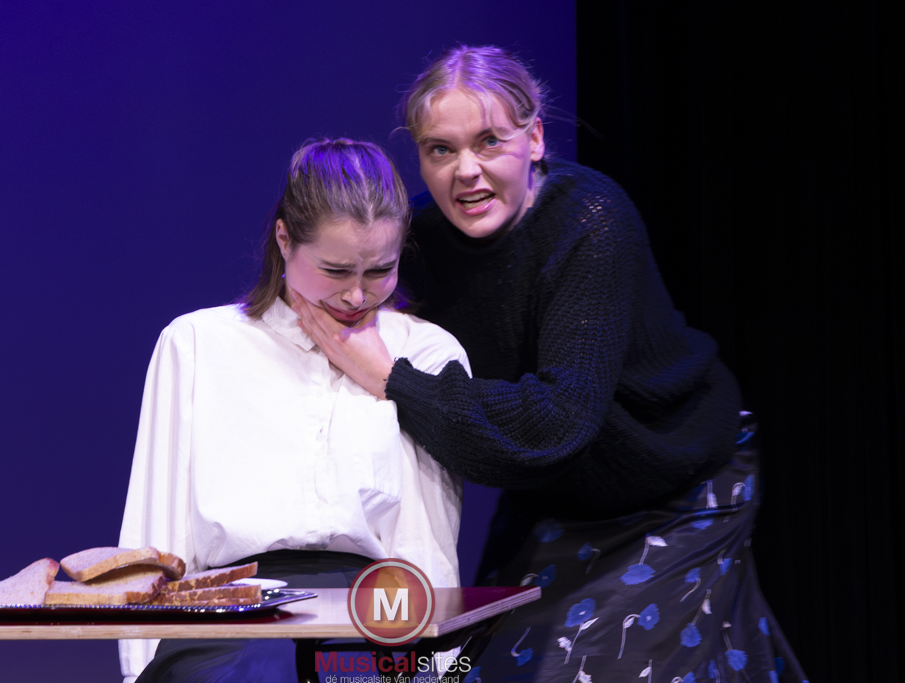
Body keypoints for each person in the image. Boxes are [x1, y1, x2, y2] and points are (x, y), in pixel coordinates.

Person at [291, 47, 808, 682]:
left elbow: (559, 420)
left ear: (534, 138)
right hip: (557, 499)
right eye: (441, 149)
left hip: (680, 481)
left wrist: (393, 379)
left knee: (593, 670)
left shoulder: (589, 219)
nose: (466, 171)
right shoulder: (421, 242)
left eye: (489, 141)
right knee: (477, 667)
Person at [117, 138, 467, 683]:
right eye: (336, 270)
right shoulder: (197, 343)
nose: (357, 296)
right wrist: (139, 671)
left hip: (371, 622)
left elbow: (426, 542)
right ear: (284, 240)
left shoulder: (424, 353)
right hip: (227, 625)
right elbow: (157, 534)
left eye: (380, 270)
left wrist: (437, 668)